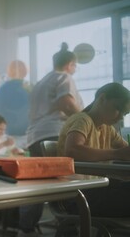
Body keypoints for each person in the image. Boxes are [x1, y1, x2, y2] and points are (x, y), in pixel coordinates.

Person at [22, 42, 84, 237]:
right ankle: (68, 229)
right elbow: (66, 102)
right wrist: (86, 120)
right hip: (54, 134)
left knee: (37, 186)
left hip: (34, 136)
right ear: (70, 64)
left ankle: (26, 228)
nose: (75, 70)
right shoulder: (64, 77)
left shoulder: (40, 83)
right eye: (75, 66)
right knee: (65, 185)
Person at [58, 82, 130, 217]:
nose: (121, 116)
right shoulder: (82, 120)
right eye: (118, 108)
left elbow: (126, 151)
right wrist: (117, 154)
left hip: (94, 190)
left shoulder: (107, 128)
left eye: (125, 113)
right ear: (102, 99)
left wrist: (123, 153)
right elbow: (73, 150)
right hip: (77, 195)